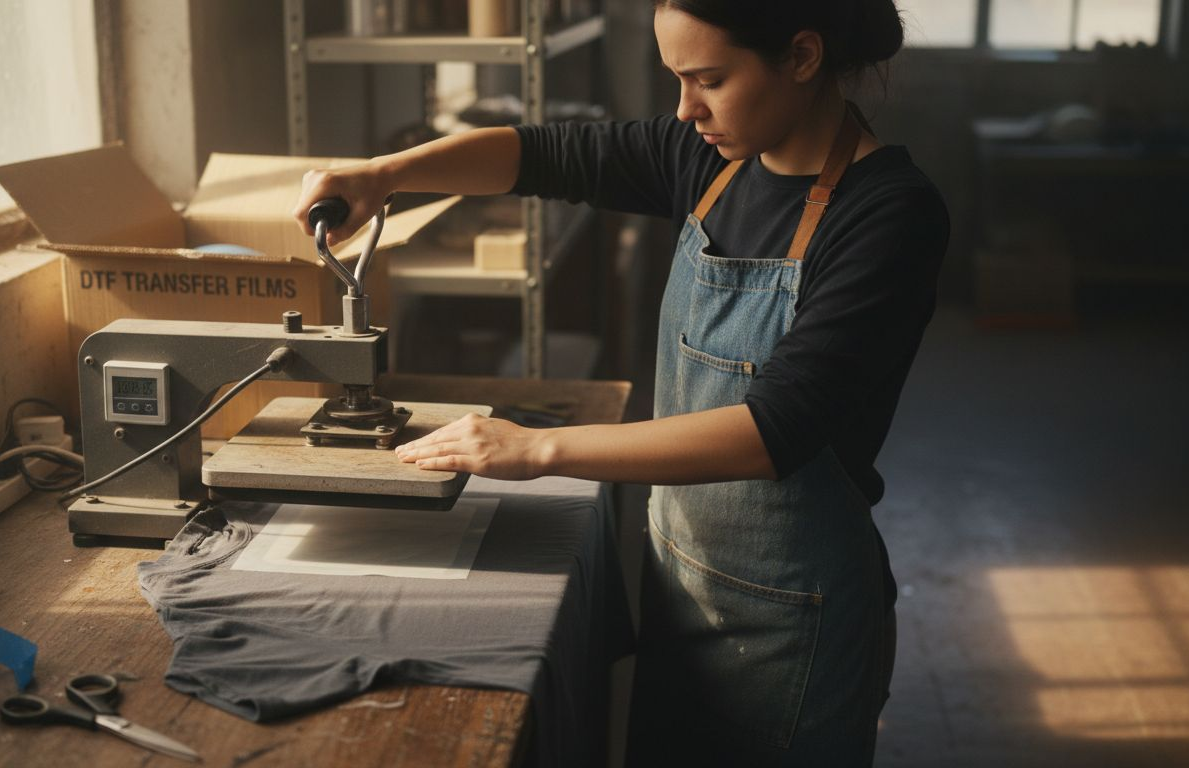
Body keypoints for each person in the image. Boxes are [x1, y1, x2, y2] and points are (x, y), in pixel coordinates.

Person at [293, 1, 947, 764]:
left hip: (795, 621)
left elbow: (778, 427)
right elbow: (543, 156)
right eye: (676, 78)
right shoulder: (708, 161)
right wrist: (386, 176)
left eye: (709, 79)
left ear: (802, 57)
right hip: (681, 587)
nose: (685, 109)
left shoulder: (888, 214)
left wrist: (537, 449)